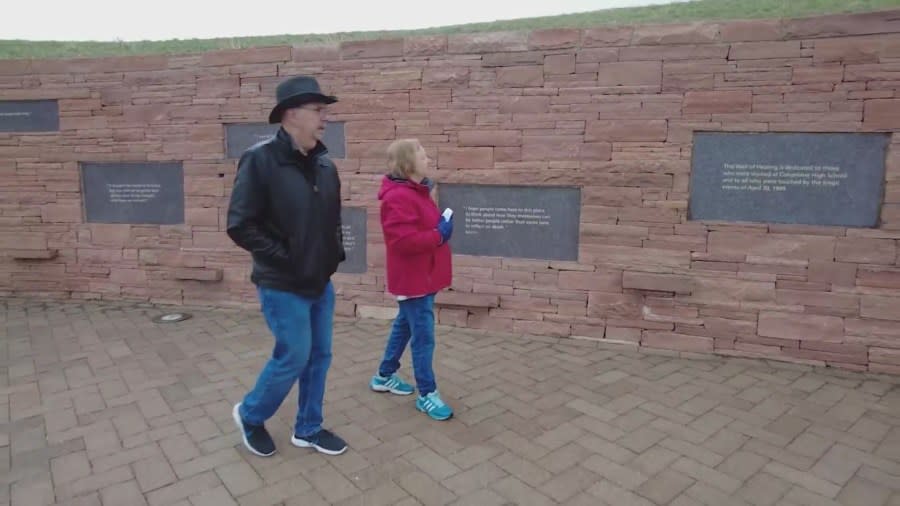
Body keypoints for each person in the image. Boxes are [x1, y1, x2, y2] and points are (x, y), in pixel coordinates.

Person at [226, 75, 347, 457]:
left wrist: (332, 254)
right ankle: (250, 413)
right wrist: (289, 258)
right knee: (294, 354)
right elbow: (240, 224)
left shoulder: (325, 165)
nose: (325, 117)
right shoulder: (260, 160)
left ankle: (308, 428)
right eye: (318, 110)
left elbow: (331, 220)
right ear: (291, 113)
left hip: (319, 282)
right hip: (282, 283)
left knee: (320, 356)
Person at [369, 138, 454, 421]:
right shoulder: (398, 197)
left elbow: (419, 227)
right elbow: (402, 241)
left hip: (423, 276)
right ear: (408, 163)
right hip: (414, 280)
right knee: (423, 337)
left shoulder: (417, 192)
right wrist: (439, 234)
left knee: (405, 326)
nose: (428, 159)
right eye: (423, 155)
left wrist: (438, 224)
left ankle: (384, 375)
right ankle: (427, 394)